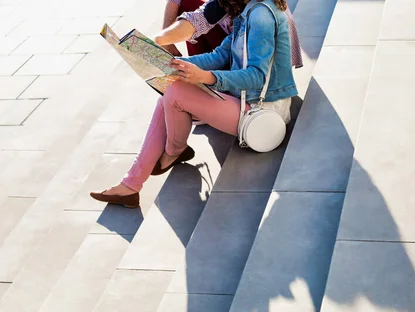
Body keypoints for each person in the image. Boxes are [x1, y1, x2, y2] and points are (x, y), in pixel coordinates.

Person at [90, 0, 298, 208]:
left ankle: (174, 150)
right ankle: (131, 185)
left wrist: (206, 77)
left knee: (174, 91)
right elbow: (220, 55)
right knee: (169, 90)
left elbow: (257, 76)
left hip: (262, 111)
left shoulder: (261, 16)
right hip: (244, 101)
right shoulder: (249, 10)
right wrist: (171, 64)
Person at [156, 0, 302, 67]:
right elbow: (197, 20)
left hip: (262, 95)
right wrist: (160, 40)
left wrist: (206, 78)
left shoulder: (263, 12)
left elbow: (255, 76)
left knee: (176, 95)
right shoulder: (231, 3)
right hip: (243, 73)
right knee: (171, 96)